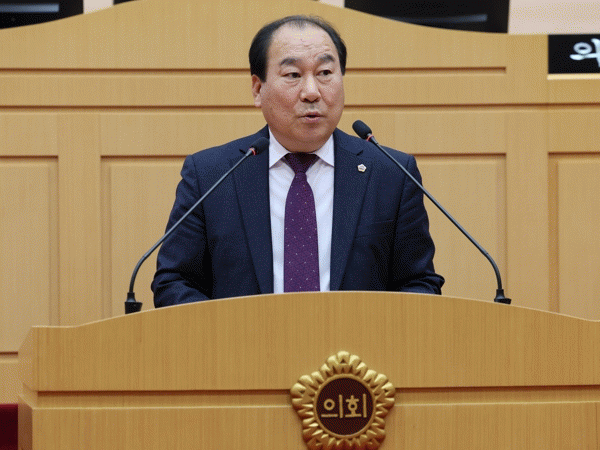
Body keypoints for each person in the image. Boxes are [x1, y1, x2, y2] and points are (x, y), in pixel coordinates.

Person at [152, 15, 444, 307]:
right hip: (241, 337)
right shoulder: (211, 175)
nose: (312, 92)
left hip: (357, 337)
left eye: (325, 72)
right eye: (293, 75)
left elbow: (419, 283)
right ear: (258, 89)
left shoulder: (392, 174)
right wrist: (230, 331)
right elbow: (174, 282)